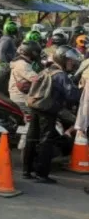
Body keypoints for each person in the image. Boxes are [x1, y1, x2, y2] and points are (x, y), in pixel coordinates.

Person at [24, 46, 81, 183]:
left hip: (35, 107)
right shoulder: (60, 75)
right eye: (69, 61)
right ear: (62, 60)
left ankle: (27, 171)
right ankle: (41, 174)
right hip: (48, 110)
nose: (72, 64)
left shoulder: (46, 70)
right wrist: (83, 90)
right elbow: (72, 95)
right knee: (46, 141)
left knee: (32, 138)